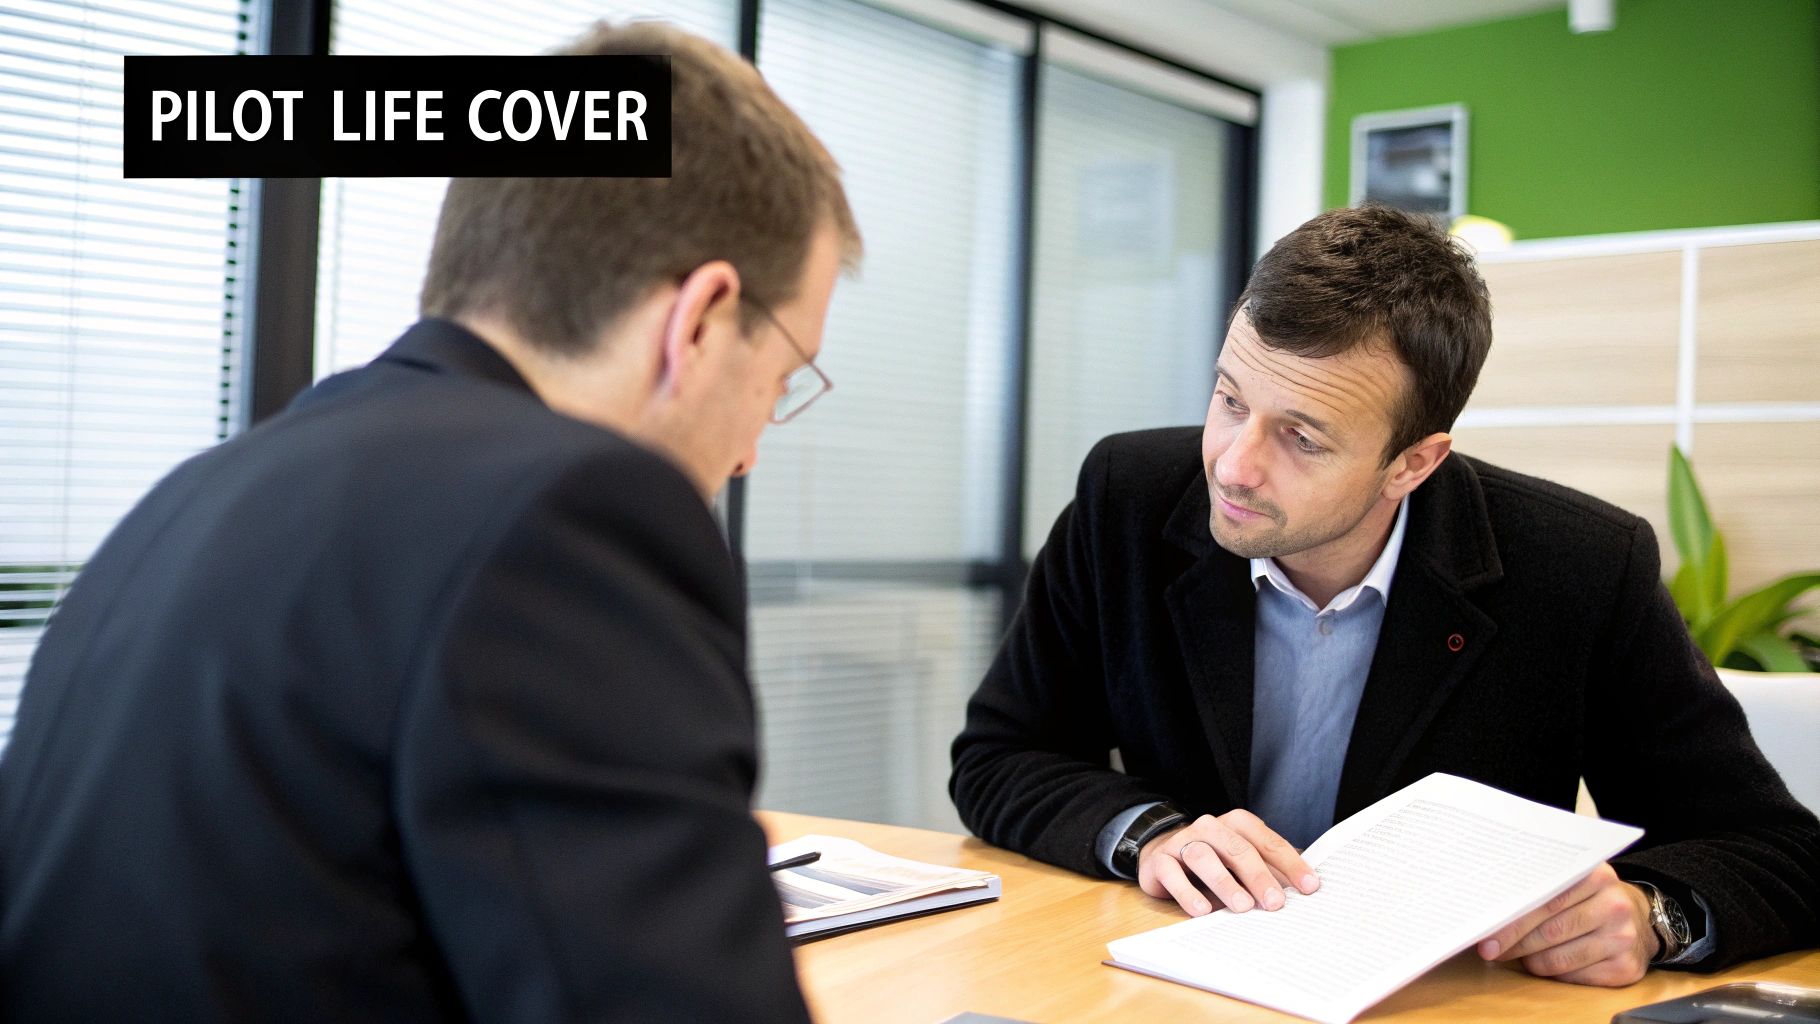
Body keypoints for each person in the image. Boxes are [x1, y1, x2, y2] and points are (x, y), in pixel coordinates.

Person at [0, 21, 859, 1022]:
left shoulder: (193, 495)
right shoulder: (571, 518)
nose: (754, 447)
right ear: (701, 318)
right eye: (781, 378)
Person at [950, 205, 1820, 986]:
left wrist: (1652, 916)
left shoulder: (1581, 567)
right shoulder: (1127, 497)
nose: (1233, 463)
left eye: (1302, 437)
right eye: (1229, 398)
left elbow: (1783, 852)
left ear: (1414, 463)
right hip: (1169, 987)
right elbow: (998, 756)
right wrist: (1151, 834)